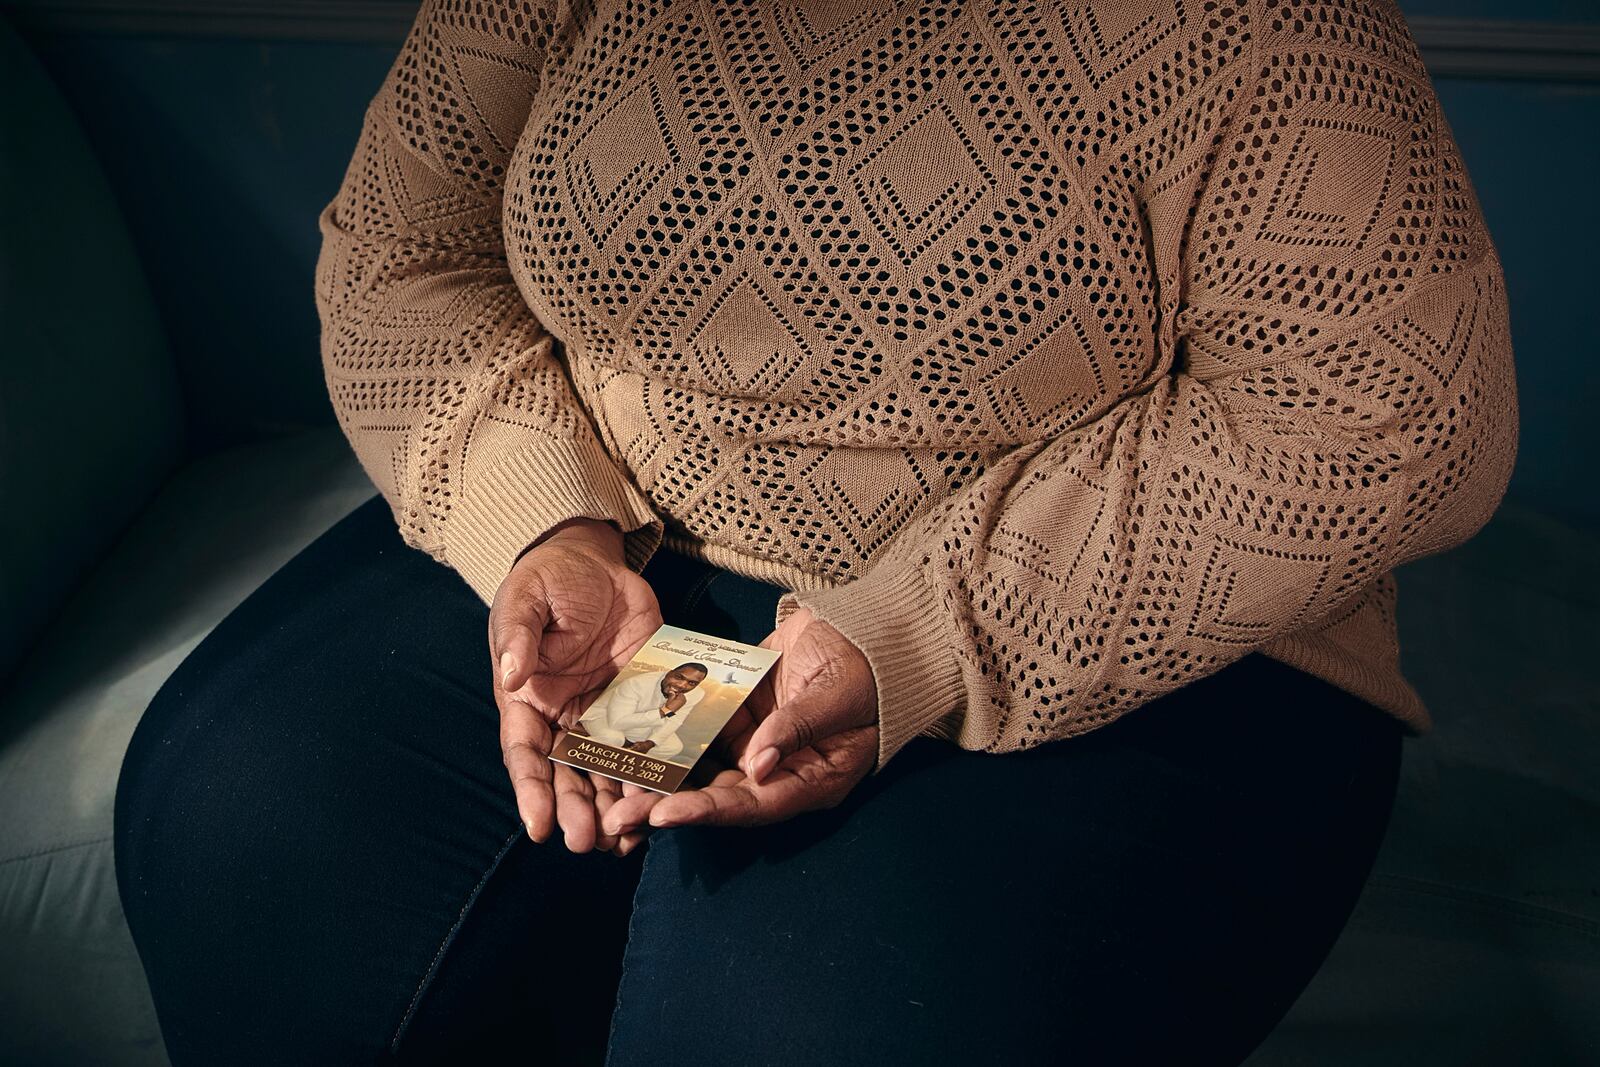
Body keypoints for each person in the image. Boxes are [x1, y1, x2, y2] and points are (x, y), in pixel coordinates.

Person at [113, 1, 1519, 1064]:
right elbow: (403, 250)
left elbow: (1390, 405)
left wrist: (907, 629)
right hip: (636, 531)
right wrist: (546, 528)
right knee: (238, 815)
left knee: (810, 1021)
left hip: (1117, 605)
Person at [570, 662, 708, 760]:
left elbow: (675, 721)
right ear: (669, 673)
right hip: (604, 716)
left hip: (644, 723)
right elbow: (618, 723)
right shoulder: (637, 683)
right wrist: (665, 711)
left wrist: (651, 742)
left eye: (692, 683)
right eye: (678, 677)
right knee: (614, 738)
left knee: (673, 747)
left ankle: (626, 763)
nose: (682, 685)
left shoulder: (696, 694)